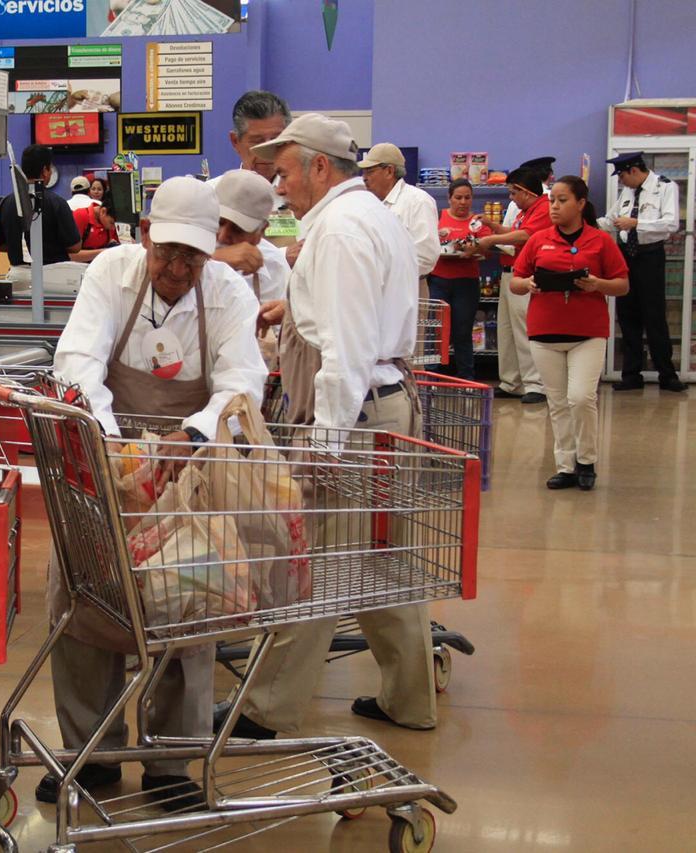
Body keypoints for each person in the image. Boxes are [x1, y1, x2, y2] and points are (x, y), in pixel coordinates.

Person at [45, 176, 266, 811]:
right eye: (166, 252)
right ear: (144, 237)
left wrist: (191, 436)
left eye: (191, 257)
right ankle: (92, 753)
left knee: (187, 596)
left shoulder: (225, 292)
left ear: (212, 248)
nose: (176, 269)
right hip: (105, 455)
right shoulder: (111, 276)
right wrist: (114, 445)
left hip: (188, 469)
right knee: (87, 595)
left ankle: (172, 760)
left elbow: (241, 378)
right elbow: (79, 362)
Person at [215, 113, 436, 739]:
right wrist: (299, 304)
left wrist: (326, 444)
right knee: (385, 559)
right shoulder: (372, 215)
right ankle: (412, 699)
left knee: (312, 562)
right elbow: (365, 313)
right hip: (390, 403)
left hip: (354, 414)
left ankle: (266, 710)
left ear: (318, 165)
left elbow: (346, 352)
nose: (278, 185)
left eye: (284, 170)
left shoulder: (338, 232)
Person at [511, 176, 629, 491]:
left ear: (580, 203)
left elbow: (622, 284)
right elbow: (515, 281)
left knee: (581, 397)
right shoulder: (538, 240)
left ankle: (586, 460)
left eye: (563, 200)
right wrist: (529, 284)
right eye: (552, 201)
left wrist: (598, 285)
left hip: (588, 333)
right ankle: (566, 465)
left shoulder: (601, 240)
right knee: (558, 402)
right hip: (544, 332)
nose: (555, 207)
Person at [598, 152, 685, 392]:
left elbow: (670, 224)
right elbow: (611, 219)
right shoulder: (627, 192)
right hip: (626, 254)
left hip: (650, 255)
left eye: (623, 176)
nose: (622, 182)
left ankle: (666, 374)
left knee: (654, 315)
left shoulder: (665, 187)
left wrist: (637, 224)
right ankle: (631, 374)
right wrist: (589, 223)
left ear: (634, 171)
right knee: (627, 316)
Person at [470, 167, 551, 403]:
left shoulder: (543, 208)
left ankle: (534, 384)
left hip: (525, 275)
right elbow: (515, 232)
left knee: (525, 330)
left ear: (525, 191)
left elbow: (525, 236)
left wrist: (491, 239)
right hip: (509, 273)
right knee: (506, 331)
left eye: (513, 193)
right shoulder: (526, 211)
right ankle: (511, 381)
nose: (511, 198)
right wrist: (492, 226)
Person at [428, 178, 492, 379]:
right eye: (458, 197)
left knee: (462, 332)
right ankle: (431, 377)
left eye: (467, 197)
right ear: (449, 198)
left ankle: (466, 379)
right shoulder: (437, 218)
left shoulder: (478, 223)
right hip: (438, 281)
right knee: (435, 332)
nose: (463, 202)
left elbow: (488, 252)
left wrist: (476, 250)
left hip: (467, 282)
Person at [357, 143, 440, 290]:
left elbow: (426, 256)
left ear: (389, 171)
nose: (364, 178)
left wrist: (380, 269)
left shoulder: (418, 201)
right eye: (363, 172)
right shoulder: (370, 203)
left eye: (369, 172)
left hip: (408, 289)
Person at [0, 144, 81, 267]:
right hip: (53, 275)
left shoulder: (6, 202)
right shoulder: (57, 203)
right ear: (45, 171)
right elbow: (75, 247)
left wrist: (18, 246)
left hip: (18, 274)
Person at [212, 169, 289, 302]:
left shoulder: (275, 267)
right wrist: (213, 260)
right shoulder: (185, 245)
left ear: (261, 231)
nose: (223, 236)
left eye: (237, 229)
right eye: (219, 222)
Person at [212, 90, 292, 185]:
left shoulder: (305, 195)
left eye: (276, 140)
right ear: (235, 141)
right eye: (258, 141)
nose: (267, 150)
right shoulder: (213, 195)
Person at [70, 196, 119, 262]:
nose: (113, 228)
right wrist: (102, 252)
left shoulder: (110, 224)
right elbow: (71, 255)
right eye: (112, 223)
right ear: (103, 211)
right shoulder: (80, 216)